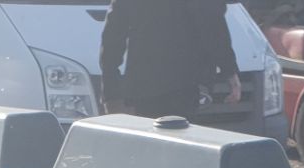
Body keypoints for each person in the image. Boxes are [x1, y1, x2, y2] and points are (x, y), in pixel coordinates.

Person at [100, 0, 242, 121]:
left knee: (151, 145)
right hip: (186, 83)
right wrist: (229, 71)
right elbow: (213, 26)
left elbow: (113, 34)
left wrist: (110, 89)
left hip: (146, 84)